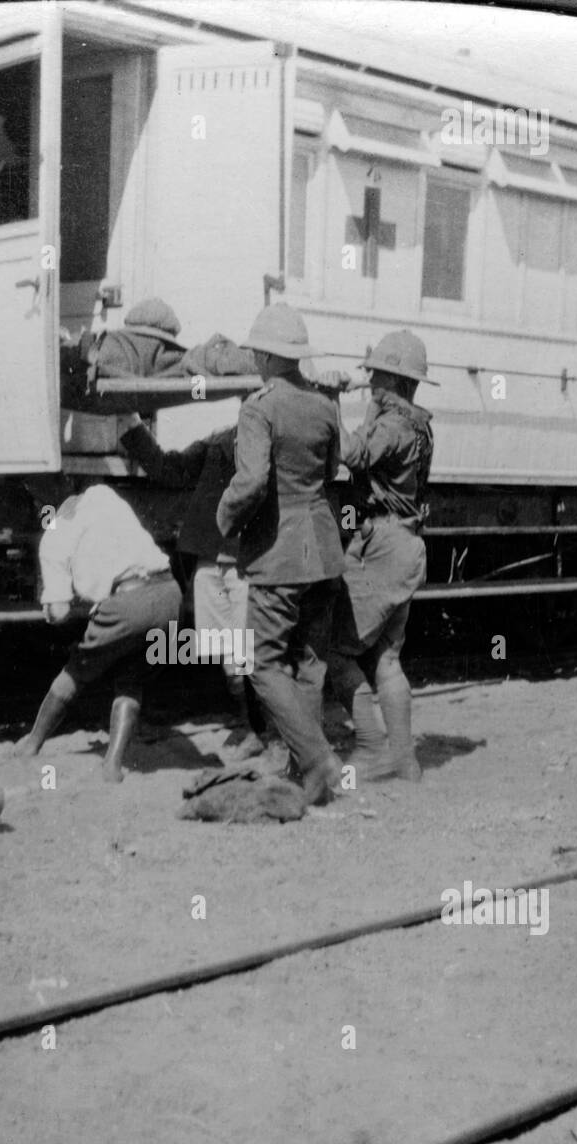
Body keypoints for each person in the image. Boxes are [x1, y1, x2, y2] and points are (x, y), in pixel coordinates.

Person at [216, 303, 346, 806]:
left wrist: (224, 519)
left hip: (279, 551)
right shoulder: (324, 406)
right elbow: (333, 472)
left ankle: (317, 763)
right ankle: (306, 773)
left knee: (263, 663)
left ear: (268, 357)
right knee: (310, 662)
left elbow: (250, 481)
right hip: (323, 549)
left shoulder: (260, 407)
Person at [119, 416, 267, 758]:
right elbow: (170, 469)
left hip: (248, 560)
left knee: (249, 652)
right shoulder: (221, 439)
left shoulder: (278, 436)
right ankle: (250, 727)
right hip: (212, 557)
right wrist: (131, 425)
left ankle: (262, 731)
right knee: (228, 651)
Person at [323, 330, 435, 781]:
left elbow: (352, 453)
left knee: (335, 651)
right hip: (405, 543)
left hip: (382, 544)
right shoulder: (417, 423)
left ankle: (370, 749)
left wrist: (331, 400)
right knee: (387, 658)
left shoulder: (392, 426)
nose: (369, 385)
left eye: (376, 379)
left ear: (393, 382)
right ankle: (405, 760)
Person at [13, 483, 181, 782]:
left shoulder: (52, 538)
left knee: (76, 671)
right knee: (132, 679)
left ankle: (31, 746)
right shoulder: (103, 494)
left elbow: (61, 612)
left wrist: (52, 608)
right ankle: (112, 767)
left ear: (43, 509)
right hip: (169, 594)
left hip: (127, 604)